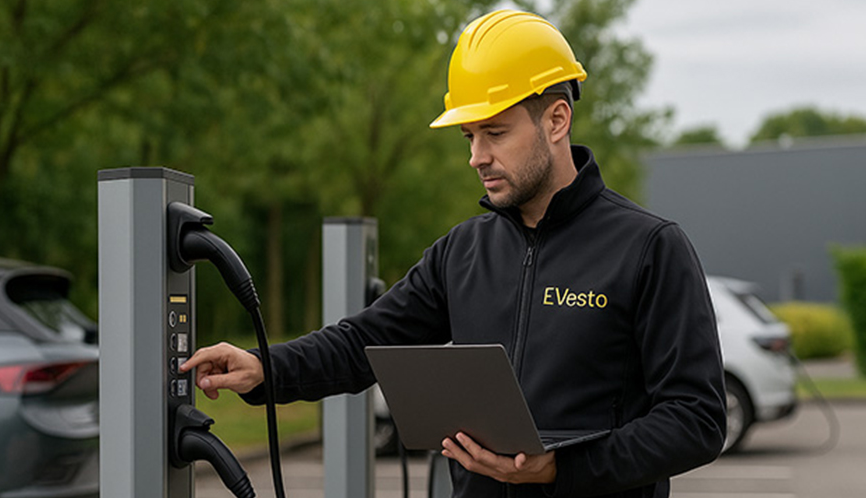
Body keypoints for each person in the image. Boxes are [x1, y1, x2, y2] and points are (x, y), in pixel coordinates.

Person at [181, 9, 725, 498]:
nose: (476, 156)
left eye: (494, 132)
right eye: (468, 136)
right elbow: (361, 344)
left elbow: (696, 419)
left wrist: (563, 468)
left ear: (556, 121)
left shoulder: (649, 248)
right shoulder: (462, 252)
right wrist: (264, 368)